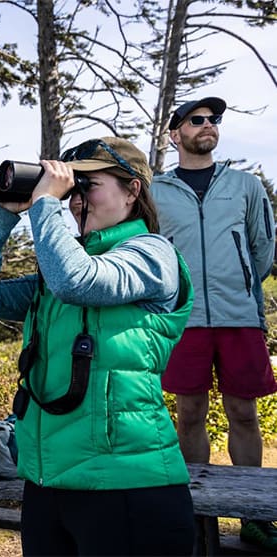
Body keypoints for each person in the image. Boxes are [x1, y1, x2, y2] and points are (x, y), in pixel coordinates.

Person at [0, 137, 196, 555]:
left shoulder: (153, 253)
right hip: (48, 482)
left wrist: (45, 204)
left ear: (132, 190)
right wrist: (2, 213)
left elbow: (79, 281)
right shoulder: (60, 266)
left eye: (88, 185)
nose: (73, 200)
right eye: (71, 189)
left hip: (127, 483)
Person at [152, 96, 277, 550]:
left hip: (239, 316)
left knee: (244, 412)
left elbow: (263, 248)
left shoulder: (245, 185)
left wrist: (241, 283)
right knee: (189, 416)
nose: (208, 125)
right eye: (196, 120)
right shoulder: (156, 191)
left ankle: (252, 516)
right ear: (175, 134)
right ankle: (199, 516)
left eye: (213, 120)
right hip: (183, 318)